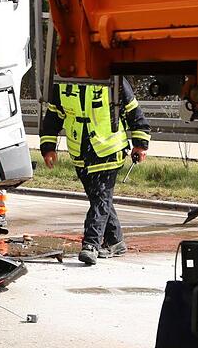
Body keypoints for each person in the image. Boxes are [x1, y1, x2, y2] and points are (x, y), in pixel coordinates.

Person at [39, 79, 151, 266]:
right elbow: (53, 116)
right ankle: (116, 241)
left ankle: (91, 244)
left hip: (110, 149)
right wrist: (48, 147)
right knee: (99, 198)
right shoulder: (63, 84)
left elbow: (134, 112)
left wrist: (141, 144)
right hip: (80, 152)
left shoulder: (114, 81)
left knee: (100, 197)